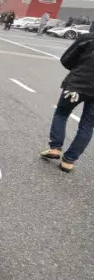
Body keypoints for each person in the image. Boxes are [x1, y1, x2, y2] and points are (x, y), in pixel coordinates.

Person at [40, 27, 94, 172]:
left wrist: (78, 68)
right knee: (87, 126)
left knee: (62, 114)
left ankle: (55, 148)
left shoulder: (87, 39)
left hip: (77, 85)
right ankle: (69, 161)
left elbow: (66, 59)